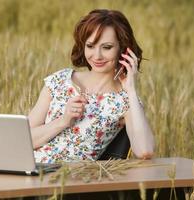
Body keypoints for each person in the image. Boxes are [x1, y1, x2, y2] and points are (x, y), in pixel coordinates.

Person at [28, 9, 155, 164]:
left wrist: (131, 90)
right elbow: (22, 140)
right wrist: (64, 121)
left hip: (65, 181)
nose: (97, 55)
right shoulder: (59, 81)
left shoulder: (124, 101)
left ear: (122, 50)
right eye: (90, 46)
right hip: (25, 168)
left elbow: (145, 151)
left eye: (107, 47)